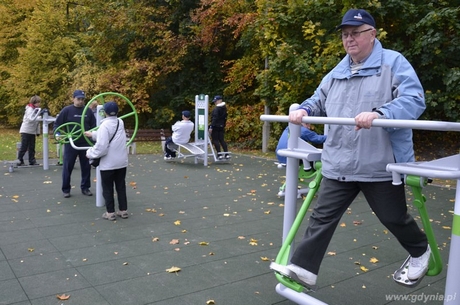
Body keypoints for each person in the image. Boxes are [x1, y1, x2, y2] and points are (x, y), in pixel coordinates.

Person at [283, 9, 430, 288]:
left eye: (356, 33)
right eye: (345, 35)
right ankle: (303, 269)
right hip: (339, 161)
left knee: (393, 217)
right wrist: (304, 109)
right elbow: (318, 99)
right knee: (321, 217)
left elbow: (414, 99)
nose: (349, 40)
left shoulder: (393, 63)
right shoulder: (338, 71)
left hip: (379, 162)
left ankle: (420, 251)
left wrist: (381, 113)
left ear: (372, 35)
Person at [85, 101, 129, 221]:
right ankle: (123, 210)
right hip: (121, 161)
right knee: (120, 186)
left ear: (104, 112)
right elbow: (110, 136)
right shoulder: (121, 122)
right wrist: (93, 134)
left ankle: (110, 212)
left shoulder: (104, 125)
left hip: (108, 164)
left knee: (107, 187)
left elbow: (102, 146)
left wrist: (89, 153)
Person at [54, 89, 96, 198]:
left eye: (82, 99)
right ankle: (66, 189)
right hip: (71, 143)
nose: (81, 101)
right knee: (68, 166)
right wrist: (58, 134)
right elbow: (57, 124)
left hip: (85, 143)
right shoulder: (67, 110)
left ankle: (85, 187)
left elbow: (94, 126)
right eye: (78, 99)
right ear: (73, 99)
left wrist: (92, 135)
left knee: (86, 166)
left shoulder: (88, 111)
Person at [17, 95, 42, 166]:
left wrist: (37, 132)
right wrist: (38, 117)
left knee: (32, 147)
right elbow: (31, 119)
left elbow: (37, 123)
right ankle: (20, 160)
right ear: (34, 102)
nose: (39, 104)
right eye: (38, 102)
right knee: (24, 146)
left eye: (39, 102)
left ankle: (32, 160)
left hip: (32, 131)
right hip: (26, 130)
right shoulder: (30, 109)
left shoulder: (37, 110)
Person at [209, 95, 229, 159]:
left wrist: (211, 126)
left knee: (215, 140)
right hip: (222, 125)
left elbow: (215, 118)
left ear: (220, 100)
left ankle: (219, 154)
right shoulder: (224, 108)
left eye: (216, 101)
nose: (215, 102)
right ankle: (226, 153)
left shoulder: (216, 109)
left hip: (216, 126)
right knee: (222, 140)